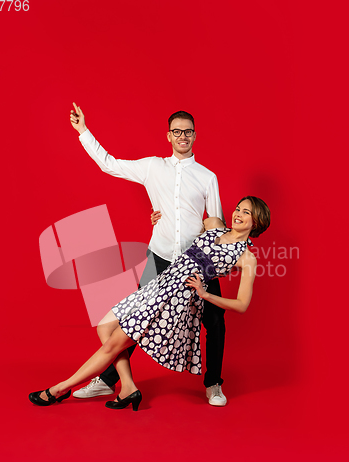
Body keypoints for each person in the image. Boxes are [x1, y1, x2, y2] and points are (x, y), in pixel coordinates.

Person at [29, 197, 271, 411]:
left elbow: (241, 304)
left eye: (246, 212)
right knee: (104, 327)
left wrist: (205, 295)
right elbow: (180, 225)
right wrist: (159, 219)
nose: (237, 214)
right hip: (158, 284)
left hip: (175, 299)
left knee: (113, 343)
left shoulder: (247, 257)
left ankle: (58, 390)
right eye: (238, 209)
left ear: (257, 222)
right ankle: (128, 387)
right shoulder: (214, 225)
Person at [67, 104, 228, 406]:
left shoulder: (207, 177)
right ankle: (106, 381)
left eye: (188, 132)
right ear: (168, 136)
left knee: (215, 321)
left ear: (195, 136)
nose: (183, 136)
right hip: (160, 256)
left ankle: (214, 384)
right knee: (137, 320)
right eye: (177, 131)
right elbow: (110, 164)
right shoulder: (153, 166)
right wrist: (84, 132)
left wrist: (216, 260)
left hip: (197, 261)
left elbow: (216, 222)